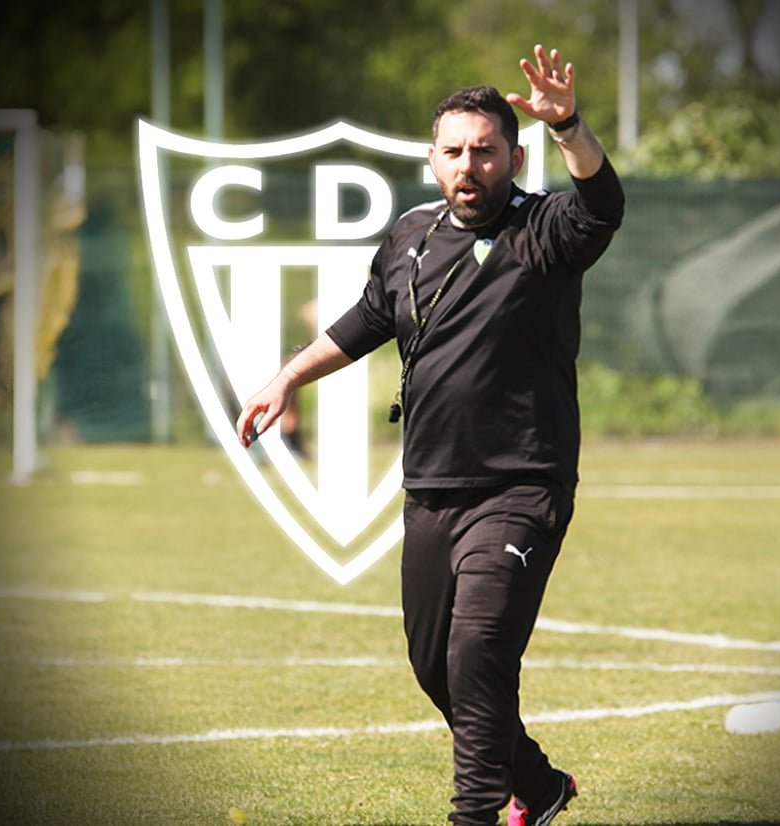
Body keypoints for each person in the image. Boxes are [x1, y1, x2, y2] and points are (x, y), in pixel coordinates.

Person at [236, 43, 624, 826]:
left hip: (520, 484)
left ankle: (472, 816)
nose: (468, 165)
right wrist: (287, 377)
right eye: (454, 152)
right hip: (430, 490)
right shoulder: (411, 235)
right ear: (431, 159)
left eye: (484, 151)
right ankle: (540, 785)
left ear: (513, 158)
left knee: (478, 653)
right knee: (434, 667)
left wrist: (568, 127)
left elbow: (602, 204)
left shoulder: (544, 229)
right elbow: (366, 320)